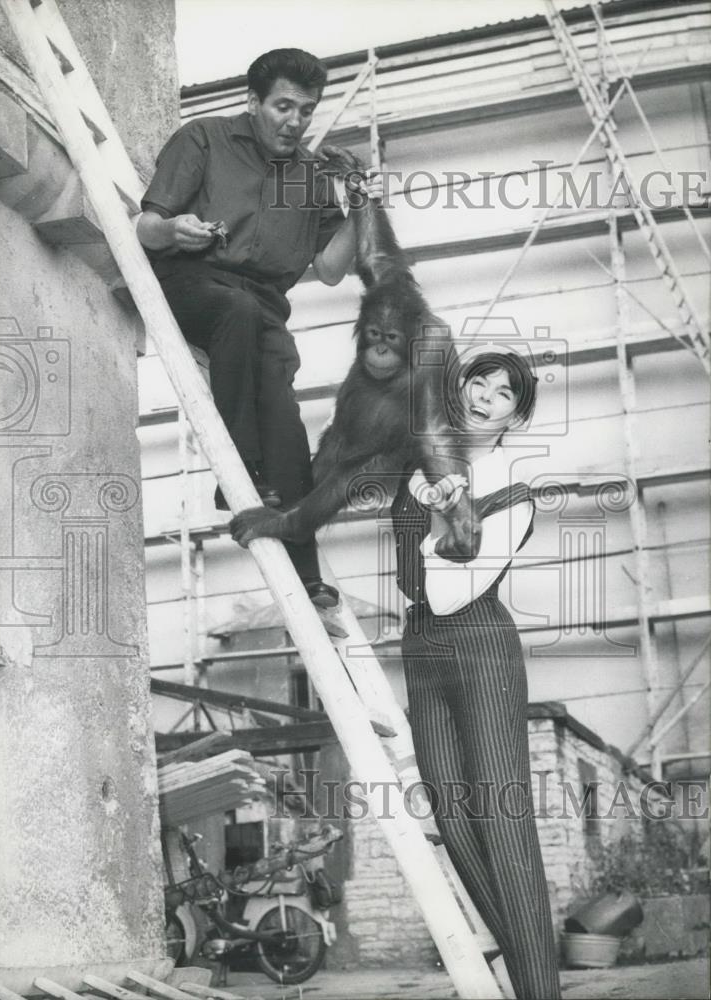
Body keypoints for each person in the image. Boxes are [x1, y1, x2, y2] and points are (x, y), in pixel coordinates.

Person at [137, 48, 380, 609]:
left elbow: (330, 267)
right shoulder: (205, 139)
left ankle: (305, 569)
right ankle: (238, 471)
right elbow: (146, 227)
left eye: (306, 111)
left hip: (264, 306)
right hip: (191, 282)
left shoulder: (314, 175)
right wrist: (178, 230)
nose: (295, 122)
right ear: (253, 102)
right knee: (239, 316)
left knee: (287, 422)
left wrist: (362, 201)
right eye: (283, 107)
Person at [391, 348, 562, 1000]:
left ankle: (539, 993)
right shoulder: (423, 472)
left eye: (504, 393)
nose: (486, 395)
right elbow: (410, 584)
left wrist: (434, 511)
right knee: (457, 828)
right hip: (422, 652)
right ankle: (532, 983)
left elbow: (451, 595)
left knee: (503, 823)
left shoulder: (511, 494)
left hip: (481, 647)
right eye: (478, 382)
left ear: (513, 418)